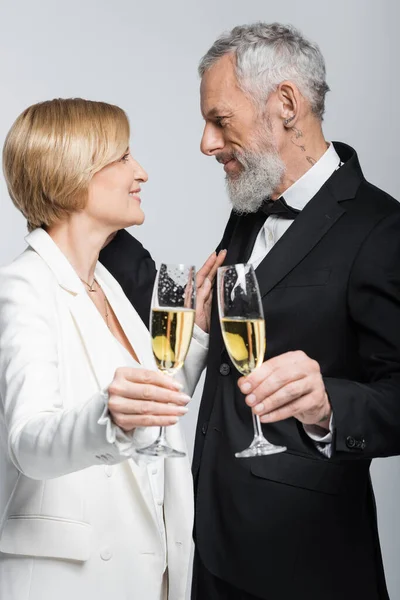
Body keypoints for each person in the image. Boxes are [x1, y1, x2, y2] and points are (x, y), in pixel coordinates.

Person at [101, 23, 400, 600]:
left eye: (220, 119)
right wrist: (90, 215)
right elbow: (202, 316)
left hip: (307, 564)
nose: (206, 143)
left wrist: (329, 404)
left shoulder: (382, 229)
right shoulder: (251, 208)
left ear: (285, 104)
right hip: (210, 546)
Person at [0, 98, 221, 600]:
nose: (140, 172)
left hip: (148, 574)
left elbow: (146, 405)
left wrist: (200, 335)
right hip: (70, 584)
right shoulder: (21, 287)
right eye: (123, 157)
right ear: (73, 172)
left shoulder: (108, 285)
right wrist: (109, 418)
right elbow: (28, 440)